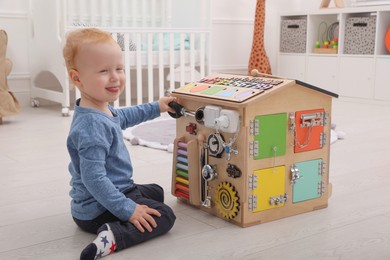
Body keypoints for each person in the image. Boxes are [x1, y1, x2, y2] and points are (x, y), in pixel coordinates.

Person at [63, 28, 177, 260]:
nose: (115, 77)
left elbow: (125, 116)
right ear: (77, 78)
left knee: (156, 191)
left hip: (109, 193)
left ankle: (124, 212)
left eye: (119, 69)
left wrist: (158, 107)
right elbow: (93, 179)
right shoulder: (91, 126)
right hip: (96, 209)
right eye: (104, 71)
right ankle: (113, 236)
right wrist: (128, 209)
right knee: (165, 215)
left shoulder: (99, 109)